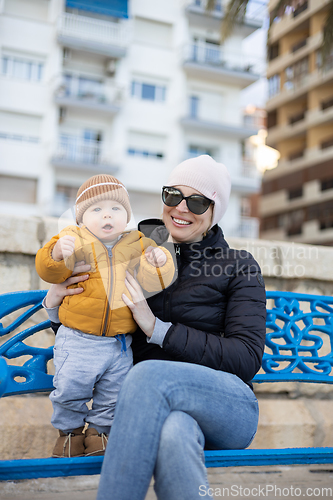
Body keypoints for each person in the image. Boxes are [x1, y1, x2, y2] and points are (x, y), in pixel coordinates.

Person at [44, 155, 266, 499]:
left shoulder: (238, 265)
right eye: (173, 194)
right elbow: (97, 338)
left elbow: (246, 357)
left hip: (228, 406)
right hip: (156, 408)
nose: (181, 208)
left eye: (197, 201)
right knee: (174, 431)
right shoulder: (130, 252)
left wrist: (155, 328)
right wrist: (55, 304)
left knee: (147, 375)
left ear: (214, 212)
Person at [36, 174, 174, 458]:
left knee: (114, 394)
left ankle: (99, 433)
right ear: (81, 218)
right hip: (77, 340)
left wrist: (159, 262)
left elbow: (154, 281)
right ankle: (70, 433)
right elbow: (49, 269)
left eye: (116, 209)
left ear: (127, 217)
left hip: (119, 344)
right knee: (69, 389)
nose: (107, 215)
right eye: (96, 210)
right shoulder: (73, 238)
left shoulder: (139, 243)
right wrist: (58, 255)